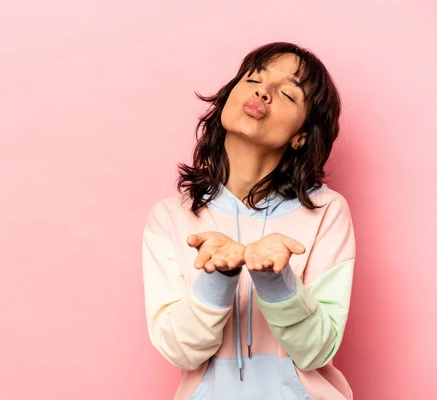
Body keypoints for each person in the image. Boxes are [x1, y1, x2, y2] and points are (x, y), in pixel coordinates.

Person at [141, 42, 356, 399]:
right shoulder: (169, 218)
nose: (263, 92)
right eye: (254, 78)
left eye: (287, 94)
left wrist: (277, 280)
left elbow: (318, 351)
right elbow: (180, 351)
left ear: (302, 136)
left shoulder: (327, 211)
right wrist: (217, 277)